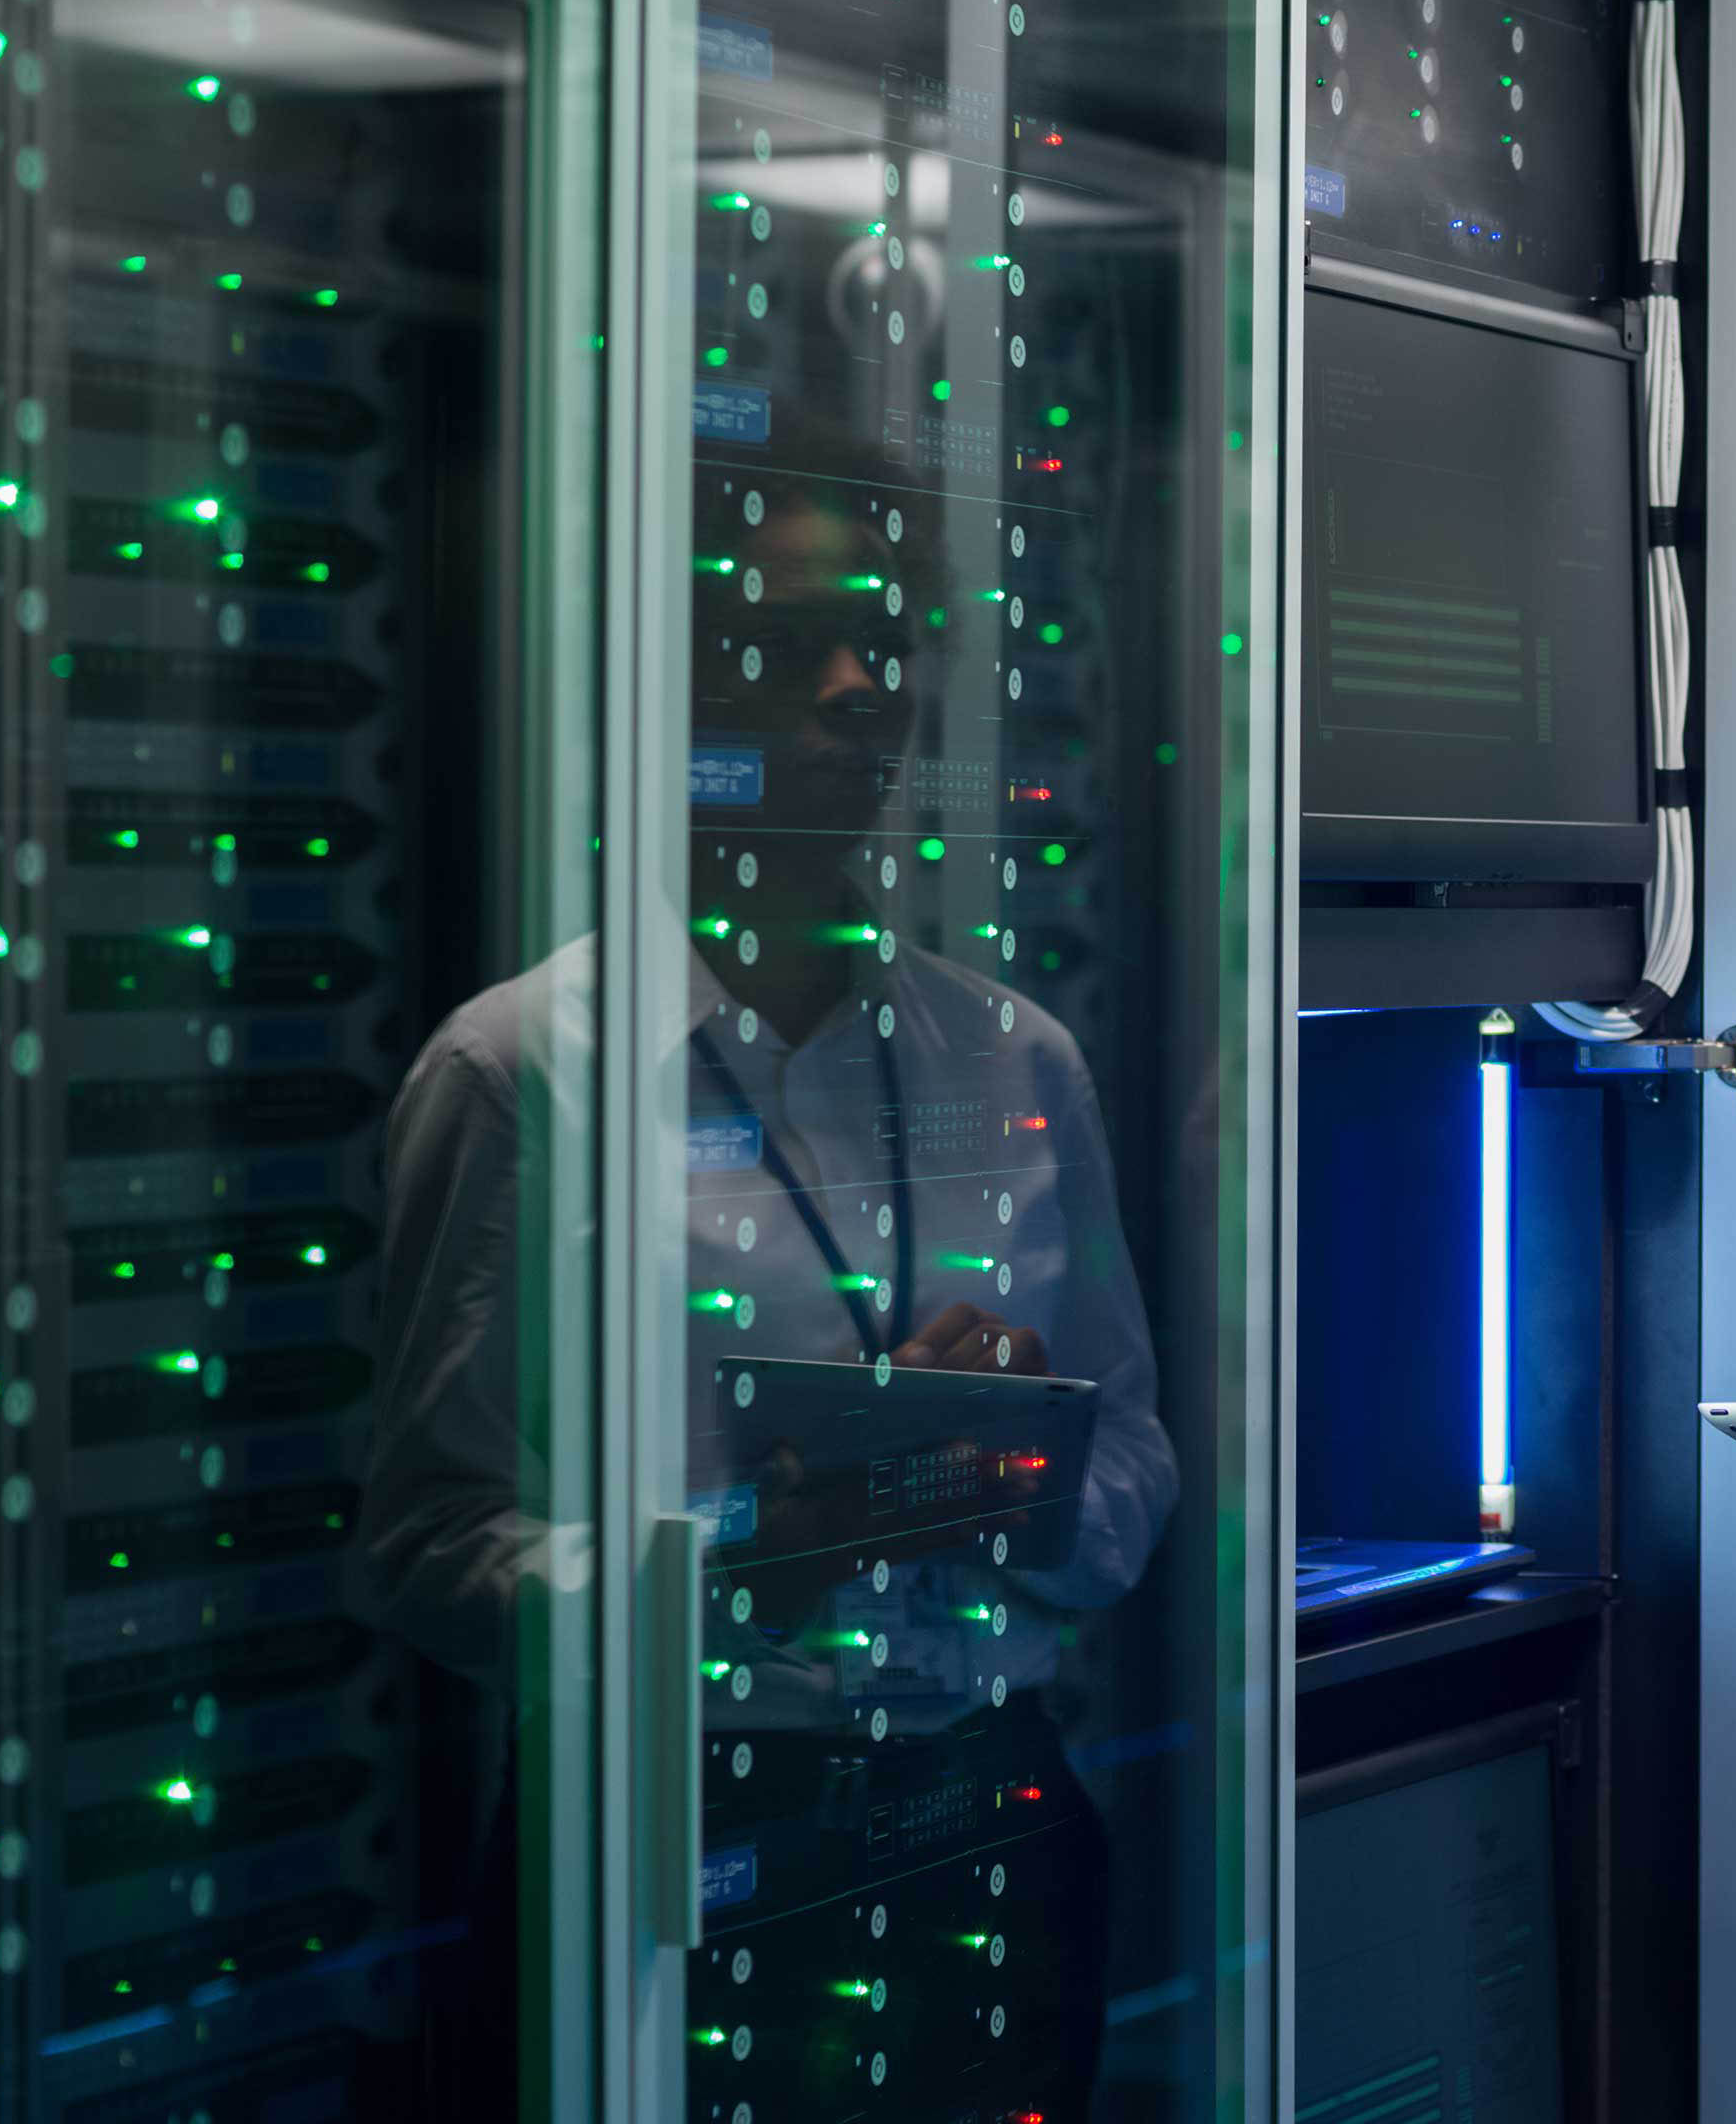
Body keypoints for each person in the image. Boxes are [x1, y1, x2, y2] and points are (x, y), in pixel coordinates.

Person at [362, 424, 1174, 2120]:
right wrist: (748, 1559)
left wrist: (1023, 1469)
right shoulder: (526, 1071)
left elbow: (1137, 1466)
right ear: (670, 684)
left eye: (883, 636)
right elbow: (430, 1550)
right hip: (681, 1833)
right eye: (793, 639)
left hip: (992, 1817)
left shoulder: (1015, 1056)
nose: (860, 684)